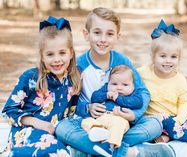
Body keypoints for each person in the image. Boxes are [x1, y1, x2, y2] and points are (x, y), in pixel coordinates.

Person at [55, 7, 175, 157]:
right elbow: (70, 102)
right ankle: (129, 152)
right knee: (61, 128)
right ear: (86, 34)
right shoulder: (78, 66)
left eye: (109, 34)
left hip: (122, 123)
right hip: (91, 124)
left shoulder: (122, 61)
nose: (103, 39)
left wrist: (133, 115)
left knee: (155, 125)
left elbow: (142, 92)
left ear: (118, 36)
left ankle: (87, 150)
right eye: (97, 32)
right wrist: (87, 108)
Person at [2, 16, 81, 157]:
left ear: (71, 53)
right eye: (50, 54)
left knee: (74, 150)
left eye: (62, 53)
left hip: (57, 133)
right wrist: (37, 123)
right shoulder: (31, 77)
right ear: (42, 56)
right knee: (56, 152)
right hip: (28, 132)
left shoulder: (74, 78)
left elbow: (74, 110)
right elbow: (8, 111)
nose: (57, 59)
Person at [138, 19, 187, 143]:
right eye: (163, 56)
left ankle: (168, 137)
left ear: (179, 58)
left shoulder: (180, 80)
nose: (168, 61)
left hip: (176, 121)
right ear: (153, 56)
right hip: (154, 121)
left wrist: (179, 120)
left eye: (173, 57)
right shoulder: (142, 73)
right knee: (163, 118)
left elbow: (184, 103)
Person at [82, 65, 143, 149]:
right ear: (108, 83)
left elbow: (138, 103)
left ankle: (110, 146)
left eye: (125, 85)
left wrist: (118, 98)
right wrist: (105, 95)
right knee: (86, 121)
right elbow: (94, 97)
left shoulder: (134, 93)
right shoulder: (106, 89)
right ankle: (98, 130)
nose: (119, 87)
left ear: (133, 85)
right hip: (101, 118)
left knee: (118, 125)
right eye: (114, 84)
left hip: (119, 118)